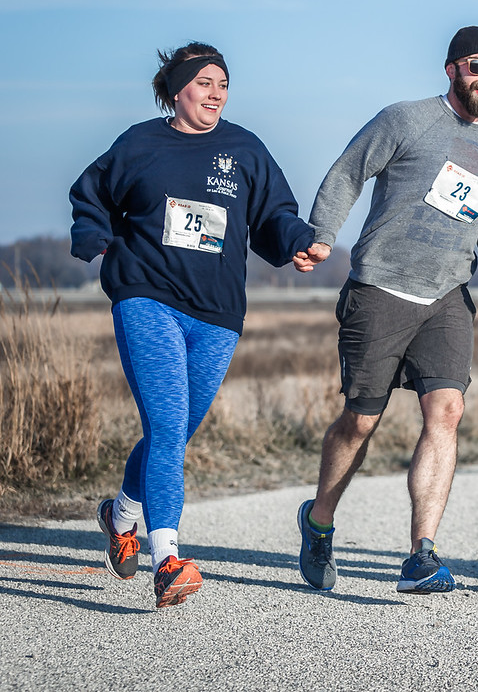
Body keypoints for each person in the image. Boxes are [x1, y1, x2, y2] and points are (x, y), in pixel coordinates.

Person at [69, 42, 315, 608]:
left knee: (173, 431)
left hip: (217, 314)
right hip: (146, 296)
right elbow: (92, 193)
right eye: (204, 83)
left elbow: (274, 215)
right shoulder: (140, 144)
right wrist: (97, 241)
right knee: (168, 420)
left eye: (223, 84)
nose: (216, 93)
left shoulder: (244, 149)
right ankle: (167, 558)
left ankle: (121, 517)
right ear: (176, 90)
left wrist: (298, 243)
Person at [292, 26, 478, 596]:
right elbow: (348, 172)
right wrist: (322, 235)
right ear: (451, 70)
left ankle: (422, 553)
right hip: (381, 287)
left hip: (447, 296)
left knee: (446, 412)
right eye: (476, 66)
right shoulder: (405, 119)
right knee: (361, 421)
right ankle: (319, 520)